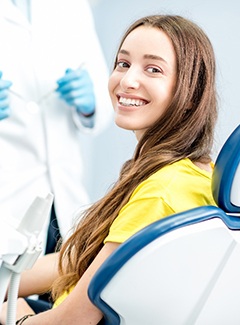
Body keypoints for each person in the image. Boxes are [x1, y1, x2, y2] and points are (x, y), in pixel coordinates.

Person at [0, 14, 218, 324]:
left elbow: (71, 322)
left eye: (153, 69)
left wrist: (16, 316)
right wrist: (8, 280)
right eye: (123, 64)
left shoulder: (160, 192)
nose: (127, 80)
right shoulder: (189, 172)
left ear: (190, 93)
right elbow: (86, 257)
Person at [0, 0, 112, 254]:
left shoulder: (72, 6)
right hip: (6, 197)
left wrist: (91, 101)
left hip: (65, 196)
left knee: (61, 281)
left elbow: (105, 102)